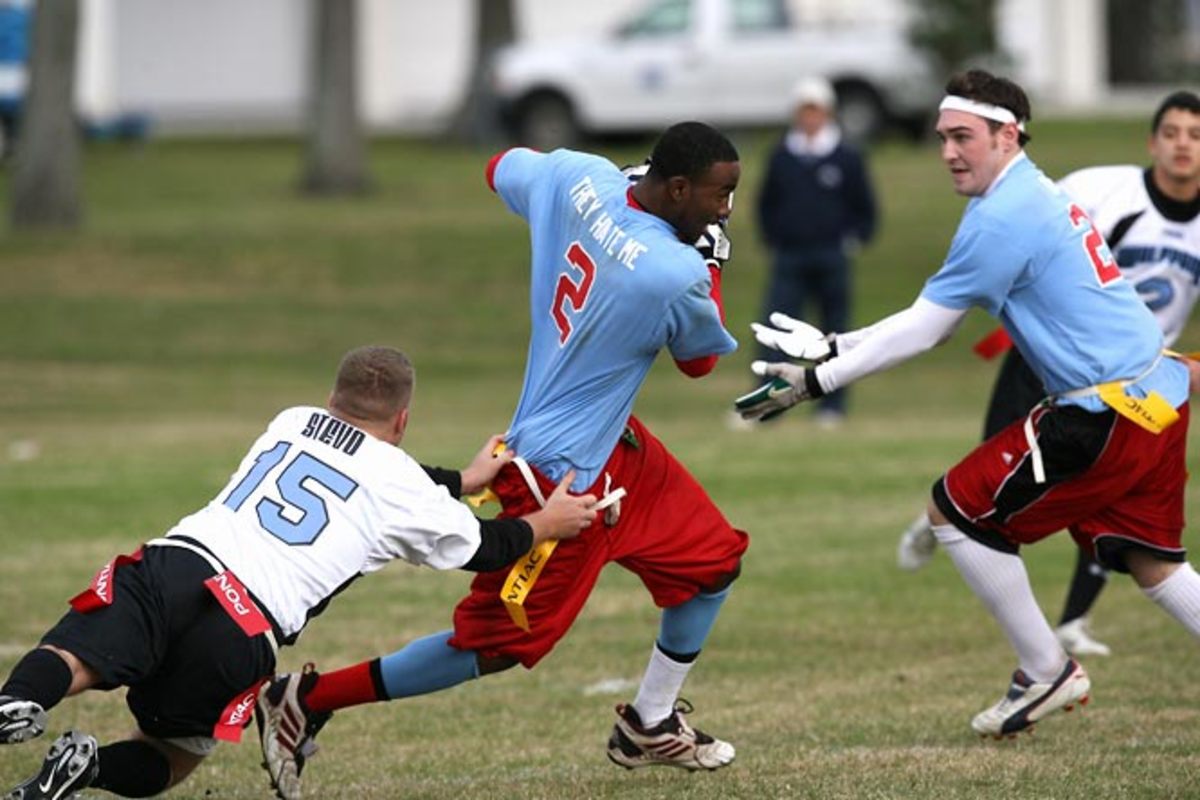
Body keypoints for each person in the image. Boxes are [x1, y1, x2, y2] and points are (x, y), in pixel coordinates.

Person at [256, 121, 749, 799]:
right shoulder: (672, 270)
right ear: (676, 187)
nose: (726, 211)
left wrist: (596, 198)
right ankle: (306, 700)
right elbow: (698, 363)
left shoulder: (581, 174)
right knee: (492, 644)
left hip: (617, 447)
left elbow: (499, 167)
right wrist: (713, 265)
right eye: (720, 196)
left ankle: (650, 722)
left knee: (713, 562)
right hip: (563, 477)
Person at [737, 70, 1200, 738]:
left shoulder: (1006, 214)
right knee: (1155, 564)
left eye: (963, 137)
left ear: (1007, 135)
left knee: (951, 513)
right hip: (1155, 399)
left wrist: (817, 381)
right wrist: (837, 344)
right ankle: (1044, 670)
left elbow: (930, 330)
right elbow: (934, 317)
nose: (950, 151)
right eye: (943, 138)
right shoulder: (1027, 193)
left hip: (1104, 413)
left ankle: (1046, 671)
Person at [0, 345, 596, 799]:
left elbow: (362, 466)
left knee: (75, 659)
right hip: (244, 623)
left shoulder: (290, 420)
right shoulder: (402, 484)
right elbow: (485, 547)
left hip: (174, 566)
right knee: (172, 753)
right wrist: (549, 521)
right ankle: (90, 768)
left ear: (332, 397)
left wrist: (462, 480)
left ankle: (16, 700)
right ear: (403, 420)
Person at [895, 89, 1200, 659]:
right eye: (1173, 132)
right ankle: (939, 524)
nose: (1184, 145)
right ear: (1152, 141)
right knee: (989, 481)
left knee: (1111, 507)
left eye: (1196, 135)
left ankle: (1060, 641)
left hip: (1139, 383)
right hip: (1048, 363)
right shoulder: (1103, 190)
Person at [747, 75, 877, 428]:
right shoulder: (782, 155)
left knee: (833, 334)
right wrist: (773, 236)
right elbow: (766, 203)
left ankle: (832, 407)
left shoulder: (846, 156)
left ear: (827, 112)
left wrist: (853, 239)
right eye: (803, 110)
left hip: (832, 256)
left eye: (815, 110)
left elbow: (864, 206)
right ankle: (765, 405)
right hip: (790, 255)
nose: (809, 118)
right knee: (775, 331)